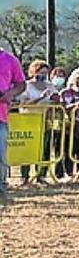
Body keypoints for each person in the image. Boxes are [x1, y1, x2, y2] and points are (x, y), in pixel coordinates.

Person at [0, 45, 27, 204]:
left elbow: (21, 84)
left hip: (1, 116)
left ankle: (1, 189)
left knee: (1, 156)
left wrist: (9, 94)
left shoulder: (9, 59)